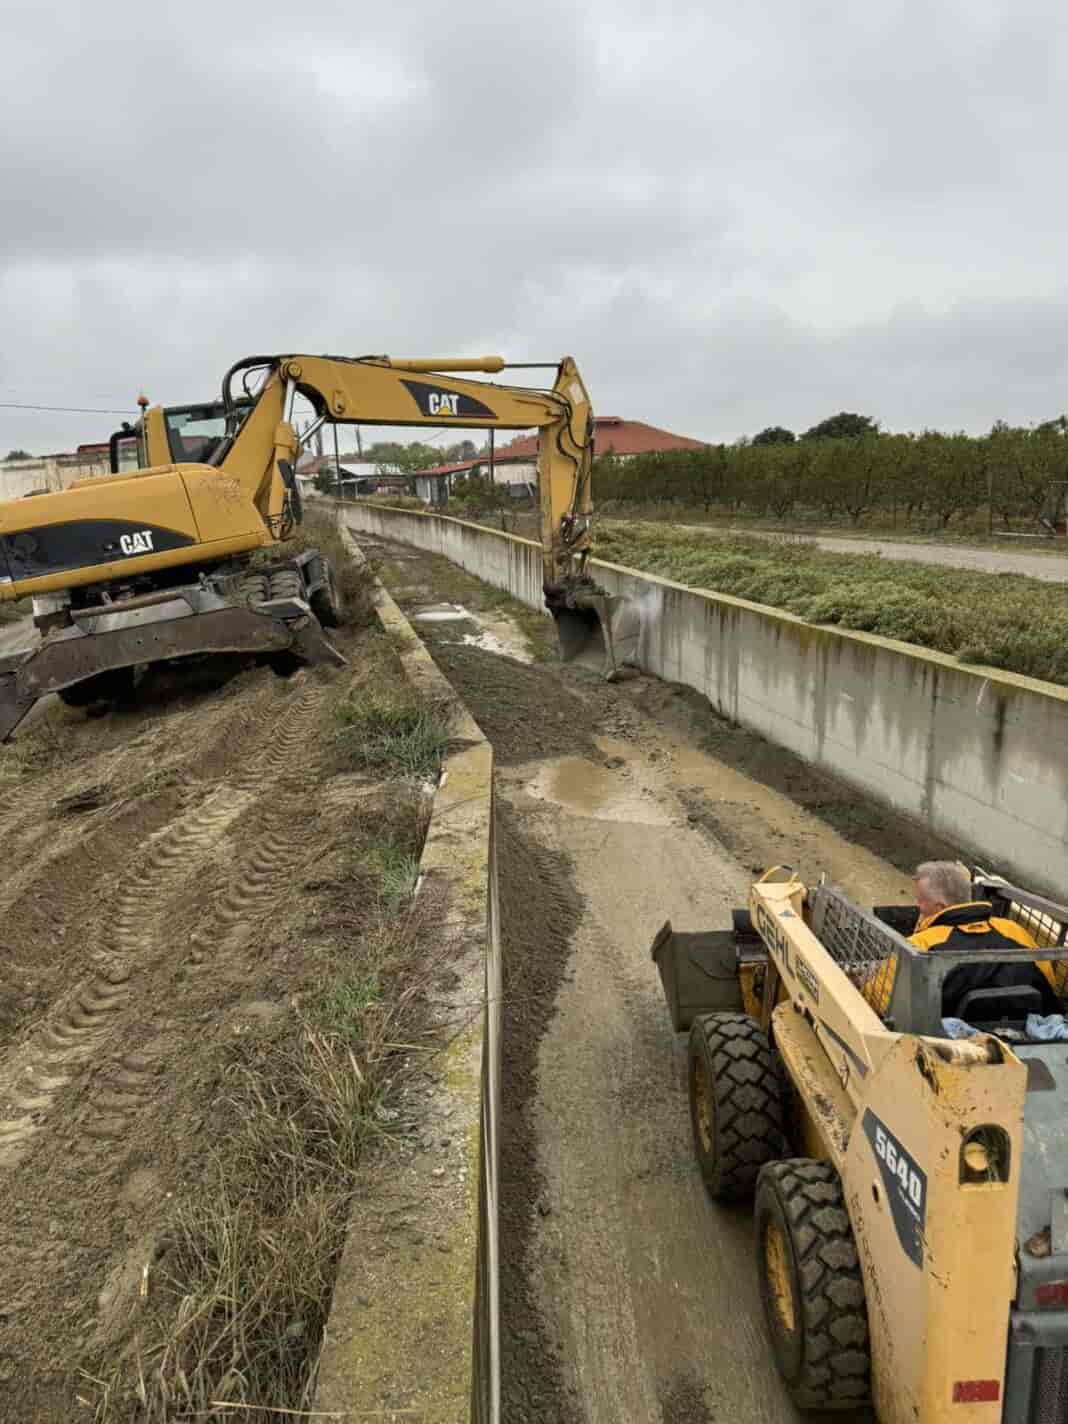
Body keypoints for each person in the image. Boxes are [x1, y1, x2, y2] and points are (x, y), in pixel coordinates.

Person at [867, 861, 1059, 1020]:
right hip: (1024, 1025)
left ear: (940, 906)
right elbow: (1049, 984)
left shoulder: (920, 946)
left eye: (920, 901)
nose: (917, 906)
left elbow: (878, 1000)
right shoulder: (1014, 931)